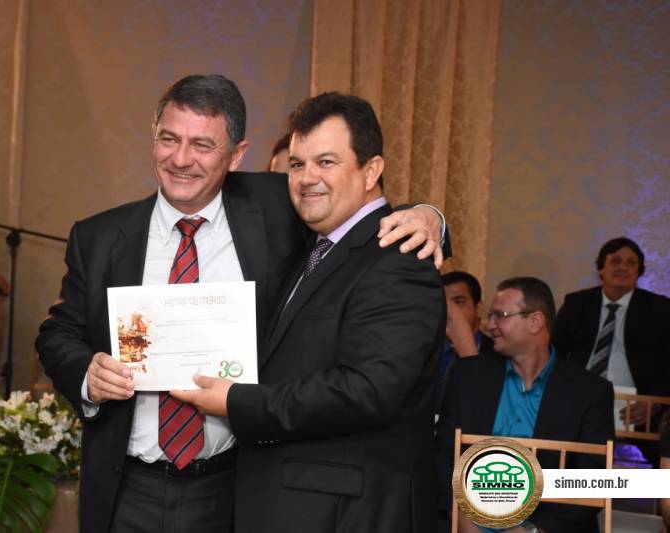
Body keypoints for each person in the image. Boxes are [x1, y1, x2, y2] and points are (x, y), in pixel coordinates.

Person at [35, 74, 448, 533]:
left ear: (236, 155)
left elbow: (358, 217)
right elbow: (58, 333)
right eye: (169, 139)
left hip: (235, 489)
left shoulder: (279, 208)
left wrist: (427, 217)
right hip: (128, 486)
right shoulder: (99, 237)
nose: (181, 159)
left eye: (202, 145)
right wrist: (87, 375)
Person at [173, 92, 445, 533]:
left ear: (371, 170)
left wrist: (238, 401)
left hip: (345, 515)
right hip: (288, 504)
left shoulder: (398, 259)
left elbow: (367, 390)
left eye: (326, 162)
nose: (306, 178)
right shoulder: (313, 246)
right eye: (297, 164)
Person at [436, 277, 615, 533]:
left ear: (535, 321)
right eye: (491, 316)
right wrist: (463, 520)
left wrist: (532, 530)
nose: (491, 325)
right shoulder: (467, 376)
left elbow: (593, 480)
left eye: (501, 316)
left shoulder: (590, 392)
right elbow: (443, 456)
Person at [552, 237, 670, 424]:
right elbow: (554, 351)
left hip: (637, 411)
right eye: (615, 261)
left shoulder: (660, 308)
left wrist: (654, 403)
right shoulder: (577, 303)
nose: (623, 267)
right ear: (601, 268)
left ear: (638, 272)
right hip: (578, 402)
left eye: (631, 263)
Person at [436, 271, 495, 411]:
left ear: (479, 309)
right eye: (443, 303)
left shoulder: (498, 353)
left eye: (459, 302)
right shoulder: (423, 352)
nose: (451, 312)